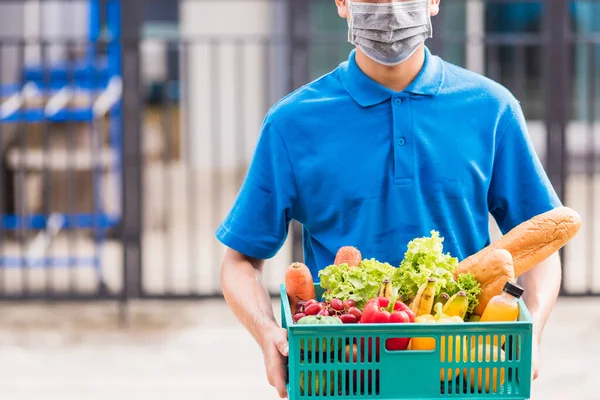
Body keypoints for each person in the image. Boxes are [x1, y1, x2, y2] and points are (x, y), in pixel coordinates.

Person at [216, 0, 562, 397]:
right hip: (342, 371)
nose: (391, 7)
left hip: (465, 371)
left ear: (434, 1)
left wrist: (531, 329)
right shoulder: (292, 123)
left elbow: (541, 248)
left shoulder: (491, 109)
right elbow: (240, 260)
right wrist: (267, 335)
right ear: (343, 3)